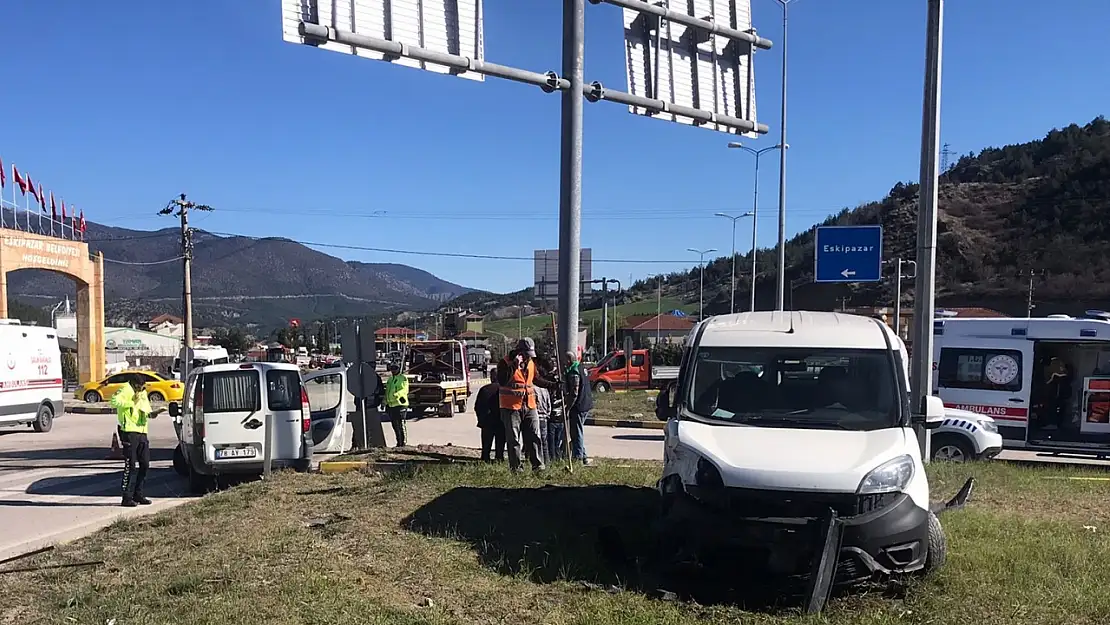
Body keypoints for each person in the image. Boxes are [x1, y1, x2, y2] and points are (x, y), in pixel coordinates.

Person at [496, 337, 558, 473]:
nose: (528, 358)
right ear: (519, 352)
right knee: (514, 440)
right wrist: (514, 365)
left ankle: (538, 466)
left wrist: (553, 385)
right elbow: (502, 380)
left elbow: (537, 379)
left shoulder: (530, 363)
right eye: (526, 355)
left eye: (530, 355)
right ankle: (516, 468)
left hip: (529, 405)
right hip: (511, 407)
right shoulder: (505, 362)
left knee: (535, 436)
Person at [110, 376, 155, 507]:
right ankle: (126, 497)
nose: (140, 390)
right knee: (131, 466)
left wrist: (152, 414)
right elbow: (113, 401)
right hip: (128, 431)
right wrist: (131, 403)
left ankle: (138, 494)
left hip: (142, 431)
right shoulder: (125, 389)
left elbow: (145, 409)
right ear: (133, 384)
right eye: (138, 387)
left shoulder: (142, 392)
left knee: (145, 464)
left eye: (142, 388)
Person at [563, 350, 594, 466]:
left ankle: (578, 457)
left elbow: (574, 393)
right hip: (586, 403)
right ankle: (583, 455)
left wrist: (567, 407)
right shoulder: (581, 367)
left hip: (579, 406)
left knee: (576, 432)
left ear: (568, 360)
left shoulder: (574, 372)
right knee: (577, 431)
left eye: (565, 360)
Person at [474, 380, 505, 462]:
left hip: (487, 421)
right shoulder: (503, 389)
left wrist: (480, 419)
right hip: (500, 421)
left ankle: (485, 459)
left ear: (491, 377)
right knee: (500, 443)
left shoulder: (484, 389)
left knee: (486, 444)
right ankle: (499, 459)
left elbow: (477, 406)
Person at [385, 364, 410, 447]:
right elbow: (387, 392)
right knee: (395, 425)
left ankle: (403, 443)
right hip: (391, 405)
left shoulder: (403, 378)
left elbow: (404, 390)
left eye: (395, 368)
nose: (393, 370)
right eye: (392, 368)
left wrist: (397, 395)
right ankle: (399, 442)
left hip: (400, 404)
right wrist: (384, 402)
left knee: (401, 424)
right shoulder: (390, 379)